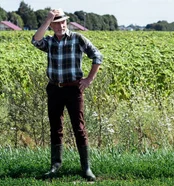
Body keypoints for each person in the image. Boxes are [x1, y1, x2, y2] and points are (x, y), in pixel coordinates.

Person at [31, 8, 102, 181]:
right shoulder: (49, 42)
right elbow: (35, 40)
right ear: (52, 25)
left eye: (62, 22)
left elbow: (97, 56)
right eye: (56, 23)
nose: (60, 26)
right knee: (55, 127)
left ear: (66, 23)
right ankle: (55, 165)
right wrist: (47, 19)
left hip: (73, 89)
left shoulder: (77, 39)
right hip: (55, 88)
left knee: (79, 128)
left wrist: (89, 79)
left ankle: (86, 168)